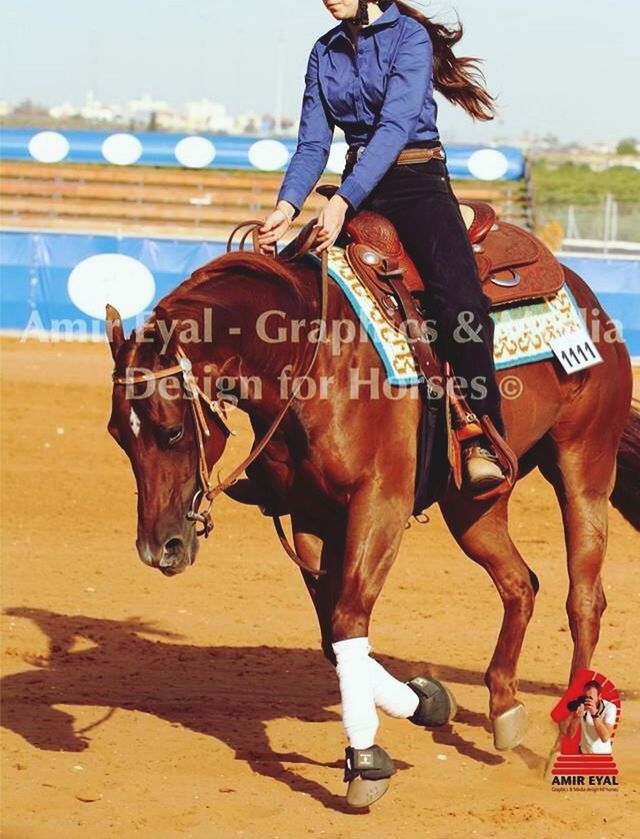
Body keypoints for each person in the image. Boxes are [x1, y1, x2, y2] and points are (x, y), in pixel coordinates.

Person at [258, 0, 506, 490]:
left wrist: (343, 202)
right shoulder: (322, 51)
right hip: (357, 185)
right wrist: (286, 208)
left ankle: (484, 436)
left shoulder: (410, 38)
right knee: (293, 293)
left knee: (460, 306)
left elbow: (394, 128)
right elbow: (312, 144)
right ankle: (278, 447)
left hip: (417, 181)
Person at [566, 680, 617, 754]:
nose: (587, 701)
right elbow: (570, 735)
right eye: (586, 697)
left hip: (602, 755)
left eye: (591, 698)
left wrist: (594, 714)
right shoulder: (582, 705)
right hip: (583, 753)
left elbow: (605, 738)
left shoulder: (610, 707)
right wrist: (576, 717)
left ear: (599, 697)